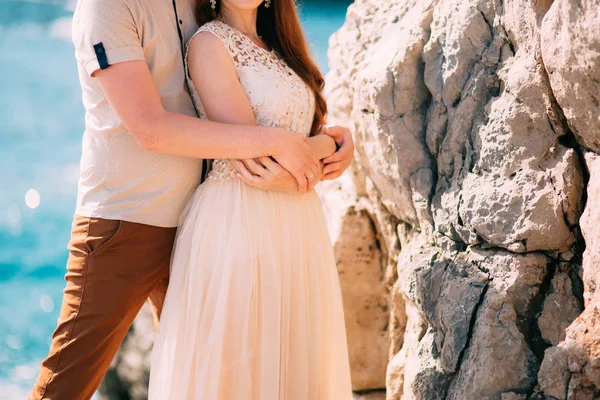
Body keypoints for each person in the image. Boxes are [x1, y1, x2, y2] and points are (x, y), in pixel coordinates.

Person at [29, 0, 354, 397]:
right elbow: (149, 128)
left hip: (198, 226)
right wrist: (278, 145)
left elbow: (263, 89)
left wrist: (323, 143)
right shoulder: (106, 7)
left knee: (218, 379)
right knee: (68, 381)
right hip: (126, 224)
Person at [147, 0, 353, 398]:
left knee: (297, 367)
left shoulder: (278, 47)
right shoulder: (209, 44)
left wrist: (333, 138)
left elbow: (296, 140)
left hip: (298, 227)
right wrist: (328, 143)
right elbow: (258, 158)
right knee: (242, 371)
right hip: (239, 224)